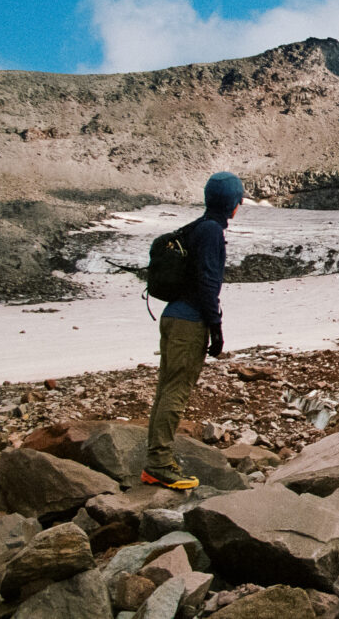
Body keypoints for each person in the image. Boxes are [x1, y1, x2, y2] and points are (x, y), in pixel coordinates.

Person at [141, 171, 244, 490]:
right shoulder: (212, 232)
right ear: (233, 204)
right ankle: (159, 464)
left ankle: (156, 459)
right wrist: (216, 328)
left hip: (172, 315)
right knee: (177, 391)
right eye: (239, 199)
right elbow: (208, 283)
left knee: (166, 388)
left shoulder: (196, 228)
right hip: (190, 322)